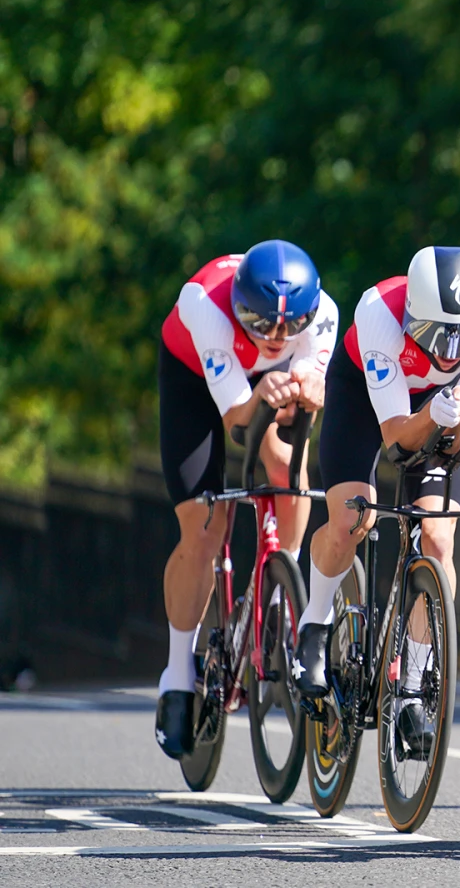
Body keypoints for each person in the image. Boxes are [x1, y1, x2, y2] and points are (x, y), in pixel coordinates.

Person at [294, 246, 460, 756]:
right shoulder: (379, 314)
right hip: (364, 395)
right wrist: (435, 413)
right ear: (412, 315)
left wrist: (459, 421)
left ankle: (413, 683)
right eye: (435, 333)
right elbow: (396, 441)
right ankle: (314, 623)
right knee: (352, 518)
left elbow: (453, 450)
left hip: (436, 405)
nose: (450, 351)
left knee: (437, 539)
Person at [155, 240, 339, 758]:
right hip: (197, 378)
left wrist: (310, 388)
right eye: (261, 323)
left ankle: (282, 584)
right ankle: (177, 671)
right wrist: (263, 391)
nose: (277, 336)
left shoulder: (324, 315)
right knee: (204, 529)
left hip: (265, 381)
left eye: (290, 326)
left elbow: (310, 391)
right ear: (239, 307)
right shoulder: (206, 308)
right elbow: (237, 418)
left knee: (288, 467)